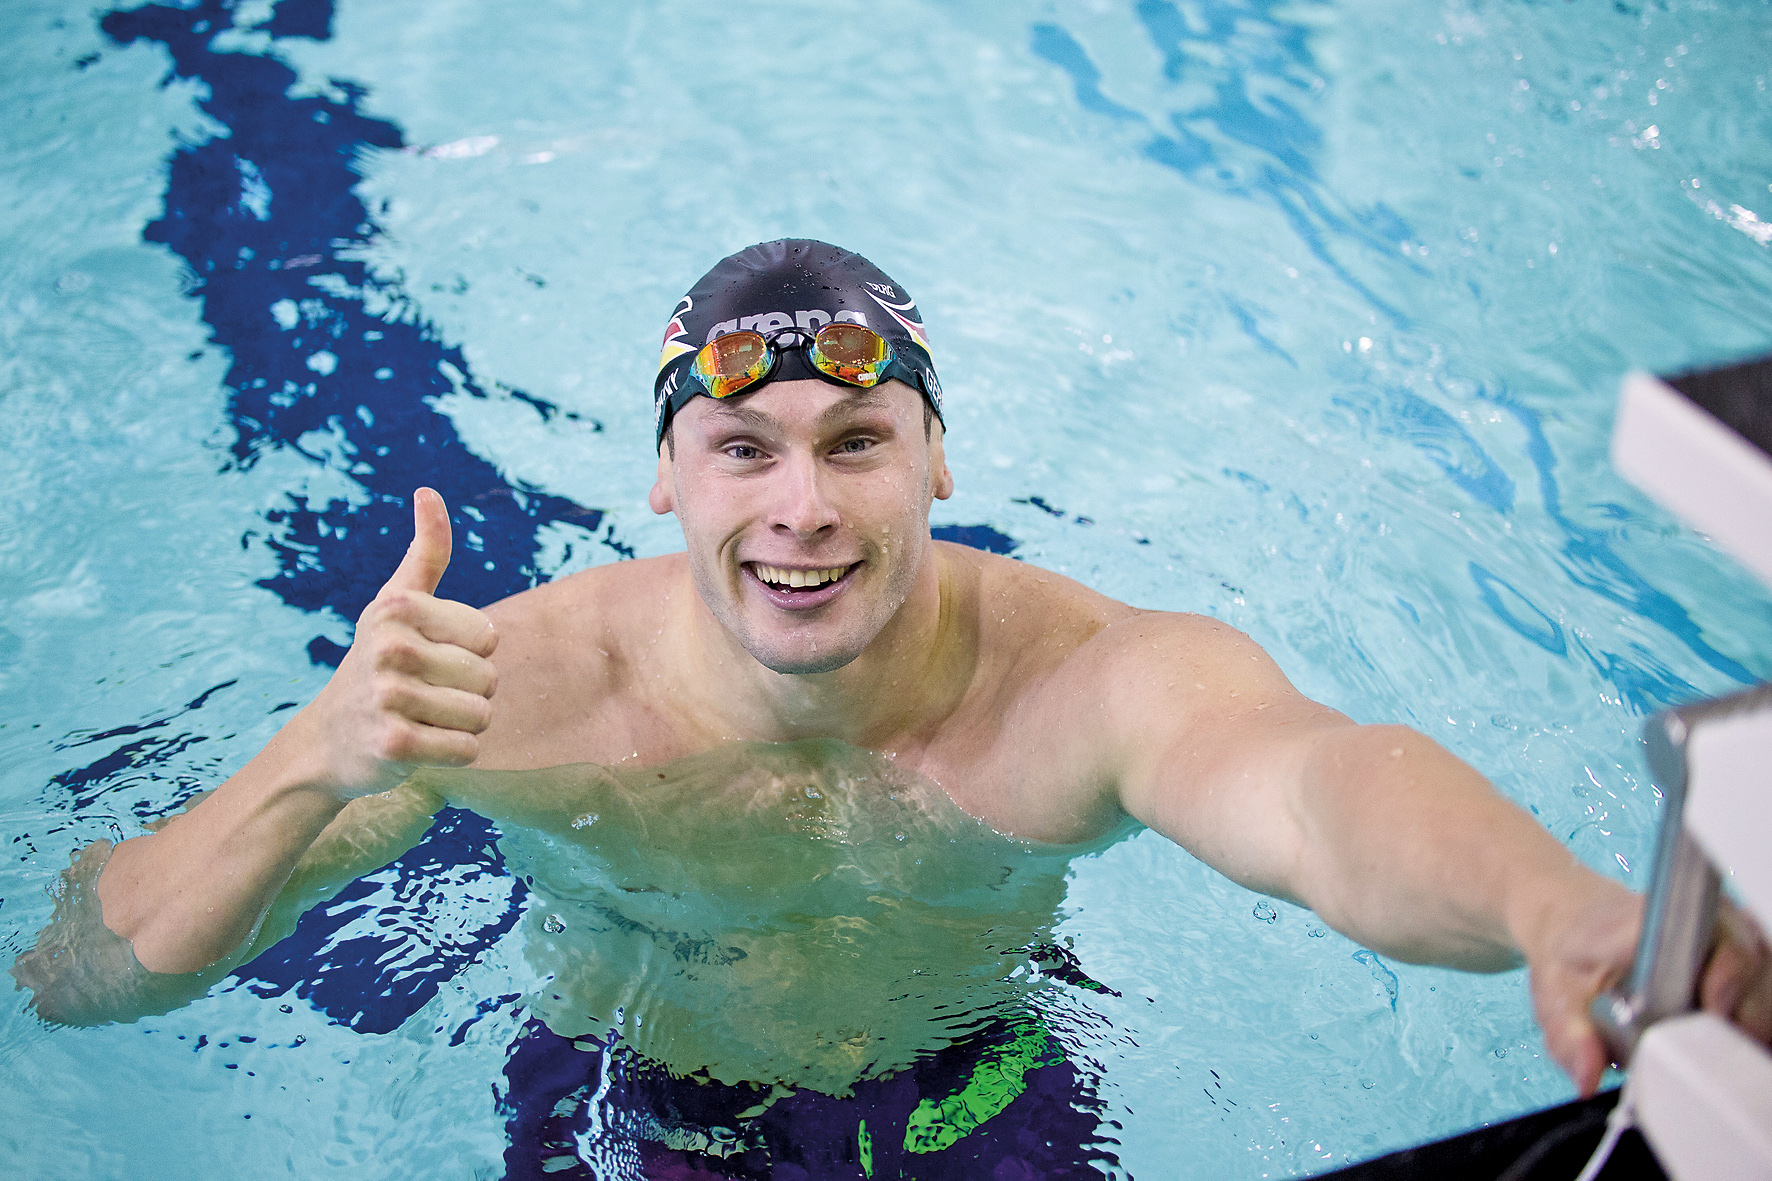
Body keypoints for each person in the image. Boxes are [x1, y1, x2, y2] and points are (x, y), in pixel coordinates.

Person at [16, 240, 1769, 1169]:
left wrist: (1570, 908)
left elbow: (1317, 796)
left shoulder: (1080, 680)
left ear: (941, 455)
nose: (803, 508)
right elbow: (79, 980)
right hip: (640, 1104)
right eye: (743, 450)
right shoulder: (521, 688)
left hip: (981, 1084)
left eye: (859, 441)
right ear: (665, 480)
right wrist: (307, 765)